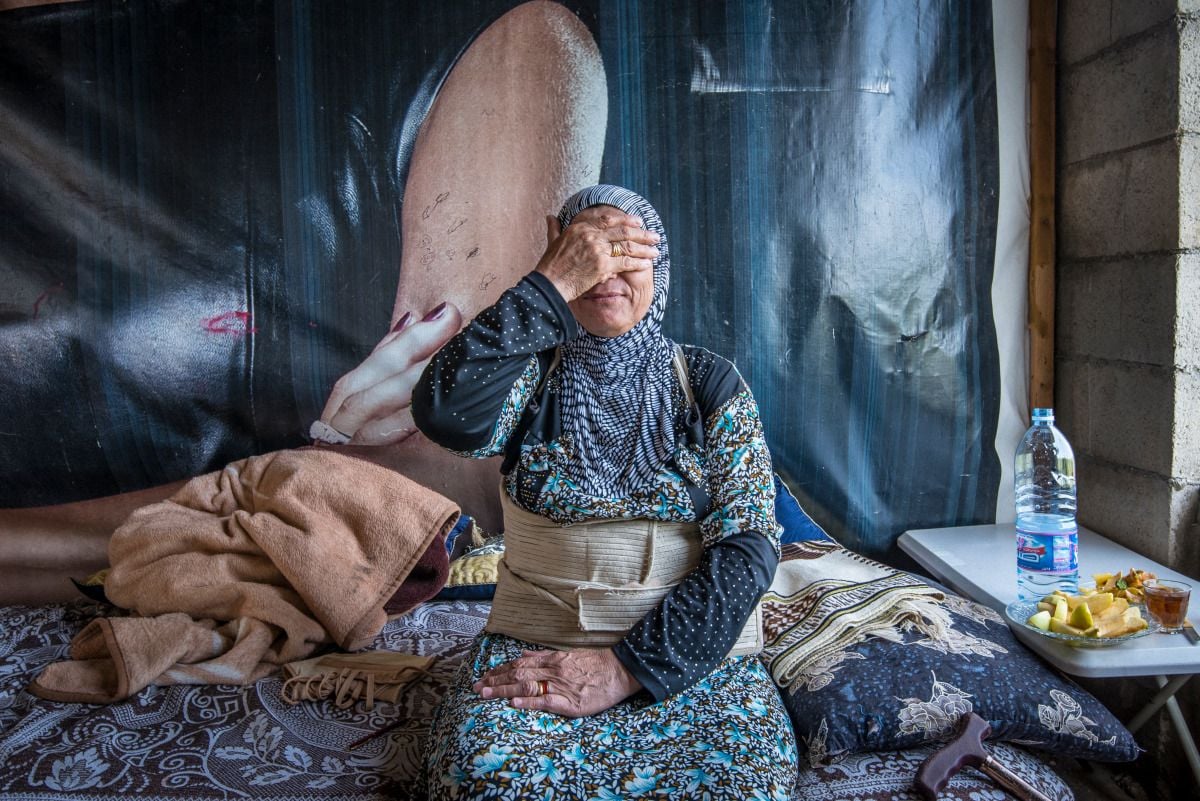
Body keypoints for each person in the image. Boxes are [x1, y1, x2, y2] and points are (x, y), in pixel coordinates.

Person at [0, 0, 606, 604]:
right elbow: (365, 495)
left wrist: (340, 485)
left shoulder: (488, 46)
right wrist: (306, 488)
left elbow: (456, 485)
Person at [414, 185, 797, 799]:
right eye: (586, 250)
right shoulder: (530, 381)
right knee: (479, 780)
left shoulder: (706, 383)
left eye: (627, 249)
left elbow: (750, 544)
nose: (607, 269)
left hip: (689, 661)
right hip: (537, 650)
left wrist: (624, 668)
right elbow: (445, 416)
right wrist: (545, 287)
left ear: (660, 265)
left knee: (742, 786)